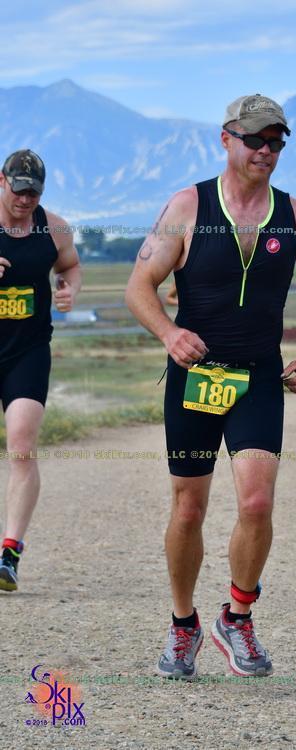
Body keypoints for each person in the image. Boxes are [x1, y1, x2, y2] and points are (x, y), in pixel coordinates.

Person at [126, 94, 296, 680]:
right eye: (254, 140)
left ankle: (237, 616)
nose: (265, 151)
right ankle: (183, 624)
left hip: (258, 379)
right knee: (189, 509)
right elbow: (139, 285)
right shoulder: (188, 206)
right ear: (227, 139)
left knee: (256, 502)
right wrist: (170, 333)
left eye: (275, 142)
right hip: (195, 377)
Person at [0, 149, 81, 592]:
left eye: (33, 193)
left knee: (21, 446)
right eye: (18, 190)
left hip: (27, 351)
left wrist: (69, 289)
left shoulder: (55, 228)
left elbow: (70, 265)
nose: (25, 200)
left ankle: (9, 553)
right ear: (2, 181)